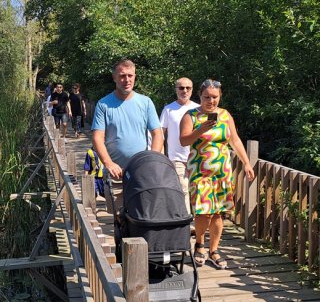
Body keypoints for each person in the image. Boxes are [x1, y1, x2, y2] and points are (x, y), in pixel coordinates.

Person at [179, 79, 254, 269]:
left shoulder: (225, 115)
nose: (210, 101)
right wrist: (200, 130)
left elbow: (235, 141)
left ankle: (214, 250)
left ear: (219, 97)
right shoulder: (191, 116)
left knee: (219, 214)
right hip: (200, 172)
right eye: (206, 97)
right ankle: (199, 244)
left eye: (214, 97)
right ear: (200, 97)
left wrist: (246, 163)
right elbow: (183, 141)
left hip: (222, 173)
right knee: (204, 212)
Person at [92, 58, 163, 216]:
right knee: (118, 217)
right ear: (114, 78)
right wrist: (108, 163)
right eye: (122, 76)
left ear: (135, 76)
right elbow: (97, 137)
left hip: (141, 171)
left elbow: (157, 133)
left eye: (130, 76)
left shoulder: (145, 102)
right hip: (116, 172)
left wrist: (152, 159)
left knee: (143, 214)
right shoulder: (103, 104)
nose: (127, 80)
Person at [160, 77, 199, 215]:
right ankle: (187, 222)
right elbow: (160, 133)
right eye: (181, 88)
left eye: (188, 88)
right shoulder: (168, 109)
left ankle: (198, 220)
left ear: (192, 90)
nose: (185, 91)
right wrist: (161, 156)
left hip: (196, 156)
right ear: (176, 90)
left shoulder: (197, 109)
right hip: (176, 156)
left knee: (197, 189)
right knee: (182, 188)